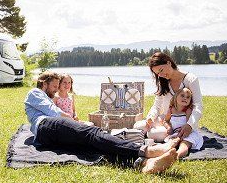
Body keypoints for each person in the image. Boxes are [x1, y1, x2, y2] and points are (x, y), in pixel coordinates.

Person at [24, 71, 180, 174]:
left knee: (91, 146)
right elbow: (55, 112)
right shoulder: (35, 92)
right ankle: (147, 151)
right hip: (47, 124)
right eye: (54, 86)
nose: (56, 89)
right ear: (43, 83)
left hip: (47, 136)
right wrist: (77, 123)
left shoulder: (46, 97)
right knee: (92, 133)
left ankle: (143, 164)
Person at [143, 52, 204, 142]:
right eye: (157, 74)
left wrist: (189, 125)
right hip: (166, 121)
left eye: (161, 70)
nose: (160, 75)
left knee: (153, 134)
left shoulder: (191, 79)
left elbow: (198, 105)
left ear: (169, 63)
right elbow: (157, 105)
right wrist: (151, 117)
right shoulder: (162, 82)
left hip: (183, 121)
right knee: (140, 126)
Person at [163, 87, 204, 159]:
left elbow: (189, 125)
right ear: (175, 97)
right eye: (182, 95)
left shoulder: (188, 110)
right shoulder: (171, 109)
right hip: (176, 134)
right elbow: (165, 121)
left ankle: (177, 156)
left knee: (184, 144)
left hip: (188, 134)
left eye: (188, 97)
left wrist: (182, 135)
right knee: (172, 143)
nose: (185, 98)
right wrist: (169, 127)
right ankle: (164, 154)